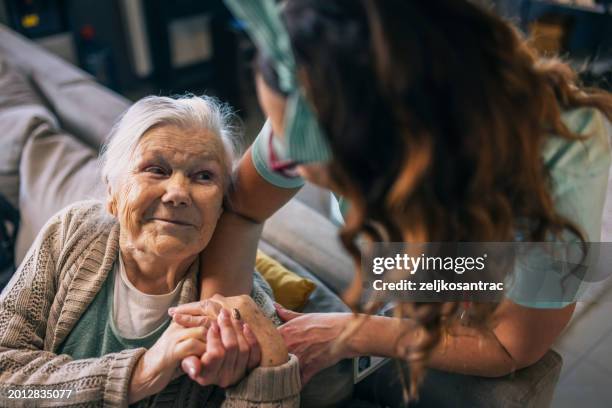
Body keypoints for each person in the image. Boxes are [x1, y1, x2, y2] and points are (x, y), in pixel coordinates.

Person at [171, 0, 612, 399]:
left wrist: (354, 332)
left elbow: (513, 343)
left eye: (338, 177)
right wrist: (221, 316)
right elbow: (243, 210)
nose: (298, 173)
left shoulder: (568, 155)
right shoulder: (309, 103)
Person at [0, 90, 300, 407]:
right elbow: (9, 387)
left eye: (204, 176)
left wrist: (273, 363)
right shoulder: (70, 233)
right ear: (112, 192)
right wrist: (137, 375)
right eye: (156, 169)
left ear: (221, 207)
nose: (177, 194)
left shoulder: (244, 305)